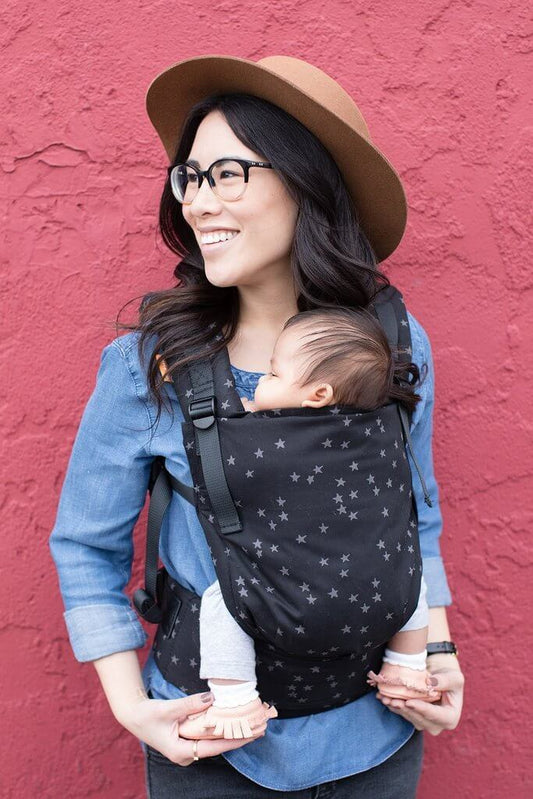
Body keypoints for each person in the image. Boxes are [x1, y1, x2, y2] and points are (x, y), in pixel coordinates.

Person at [49, 55, 464, 797]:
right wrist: (134, 708)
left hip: (373, 734)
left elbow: (414, 516)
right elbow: (85, 545)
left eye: (227, 174)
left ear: (308, 182)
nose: (198, 203)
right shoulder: (150, 364)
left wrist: (436, 652)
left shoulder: (393, 345)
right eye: (189, 178)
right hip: (212, 744)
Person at [177, 306, 440, 742]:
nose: (262, 382)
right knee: (411, 581)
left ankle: (235, 700)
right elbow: (418, 518)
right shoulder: (370, 428)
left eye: (274, 375)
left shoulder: (250, 422)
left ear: (317, 396)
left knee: (222, 604)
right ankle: (407, 667)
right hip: (375, 587)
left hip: (275, 596)